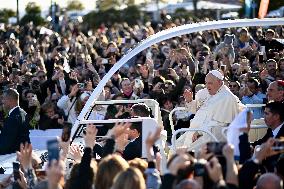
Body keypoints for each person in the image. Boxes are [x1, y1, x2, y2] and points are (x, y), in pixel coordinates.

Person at [178, 70, 244, 150]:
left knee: (187, 153)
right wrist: (189, 101)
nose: (207, 86)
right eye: (206, 83)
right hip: (195, 130)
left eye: (210, 83)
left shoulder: (227, 97)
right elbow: (196, 110)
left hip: (210, 134)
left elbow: (220, 123)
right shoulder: (207, 93)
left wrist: (200, 132)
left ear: (219, 82)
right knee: (174, 149)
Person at [0, 88, 30, 155]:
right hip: (21, 155)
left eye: (4, 99)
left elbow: (7, 142)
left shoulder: (13, 117)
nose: (2, 101)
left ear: (10, 100)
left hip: (12, 157)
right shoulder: (23, 113)